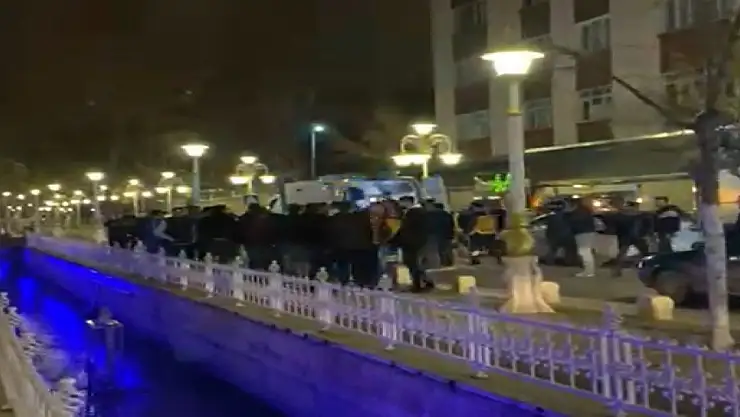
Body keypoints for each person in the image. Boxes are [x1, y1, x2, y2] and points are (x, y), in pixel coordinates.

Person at [393, 196, 433, 292]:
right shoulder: (418, 212)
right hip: (414, 241)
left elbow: (407, 228)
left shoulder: (415, 212)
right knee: (413, 263)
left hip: (413, 242)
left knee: (413, 263)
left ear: (408, 202)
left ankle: (418, 285)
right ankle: (424, 282)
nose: (400, 204)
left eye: (401, 202)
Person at [568, 198, 596, 277]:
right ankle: (589, 271)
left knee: (584, 252)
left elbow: (575, 222)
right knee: (586, 252)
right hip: (586, 232)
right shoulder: (585, 210)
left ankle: (588, 271)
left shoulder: (579, 212)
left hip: (583, 233)